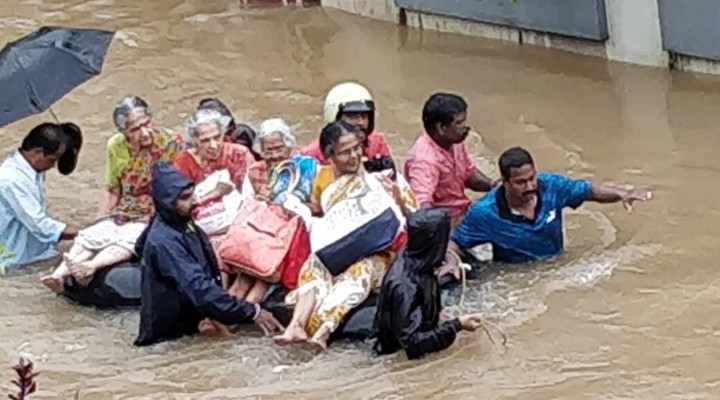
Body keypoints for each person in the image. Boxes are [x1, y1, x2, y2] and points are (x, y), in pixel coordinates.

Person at [273, 121, 416, 351]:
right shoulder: (321, 180)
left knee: (362, 270)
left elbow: (416, 219)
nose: (354, 156)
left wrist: (396, 199)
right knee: (314, 264)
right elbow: (324, 217)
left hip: (382, 253)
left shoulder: (382, 178)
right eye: (345, 152)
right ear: (330, 156)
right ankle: (296, 325)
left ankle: (325, 329)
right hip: (344, 246)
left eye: (357, 148)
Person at [41, 96, 184, 293]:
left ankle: (91, 266)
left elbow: (178, 187)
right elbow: (112, 189)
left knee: (127, 240)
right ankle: (58, 275)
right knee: (88, 237)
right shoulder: (115, 146)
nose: (144, 133)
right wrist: (101, 220)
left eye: (146, 124)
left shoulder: (172, 143)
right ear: (124, 132)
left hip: (153, 211)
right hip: (124, 210)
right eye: (135, 129)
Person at [134, 162, 283, 346]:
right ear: (168, 203)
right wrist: (253, 312)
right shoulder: (164, 242)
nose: (194, 201)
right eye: (185, 198)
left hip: (191, 326)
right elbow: (199, 288)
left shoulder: (176, 221)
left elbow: (139, 247)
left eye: (192, 194)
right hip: (172, 340)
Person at [441, 147, 653, 274]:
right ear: (504, 182)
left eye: (532, 178)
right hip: (517, 276)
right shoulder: (485, 213)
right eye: (520, 182)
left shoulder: (551, 186)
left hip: (557, 264)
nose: (530, 186)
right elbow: (455, 242)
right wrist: (452, 261)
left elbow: (587, 190)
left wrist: (621, 194)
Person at [225, 118, 318, 301]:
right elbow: (244, 206)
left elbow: (317, 207)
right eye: (268, 150)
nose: (274, 155)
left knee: (262, 281)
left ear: (289, 147)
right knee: (241, 281)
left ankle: (245, 313)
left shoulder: (305, 168)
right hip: (260, 235)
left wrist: (296, 206)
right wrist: (260, 201)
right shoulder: (254, 171)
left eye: (279, 149)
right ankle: (224, 315)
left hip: (288, 237)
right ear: (260, 151)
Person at [374, 208, 484, 359]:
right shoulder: (405, 287)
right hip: (395, 357)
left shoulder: (416, 256)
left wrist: (439, 314)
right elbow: (413, 345)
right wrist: (457, 325)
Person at [404, 93, 496, 226]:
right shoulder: (425, 161)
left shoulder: (454, 141)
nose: (467, 126)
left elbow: (468, 174)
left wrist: (494, 186)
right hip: (448, 225)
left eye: (465, 120)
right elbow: (421, 211)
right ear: (441, 128)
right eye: (459, 123)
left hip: (463, 211)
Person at [0, 123, 82, 268]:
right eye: (52, 160)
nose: (52, 166)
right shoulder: (12, 179)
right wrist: (84, 233)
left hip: (37, 252)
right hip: (14, 261)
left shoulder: (31, 168)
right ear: (38, 152)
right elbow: (40, 226)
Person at [299, 82, 391, 164]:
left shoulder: (376, 143)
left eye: (364, 116)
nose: (361, 122)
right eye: (352, 116)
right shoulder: (309, 157)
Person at [173, 108, 255, 200]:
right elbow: (181, 203)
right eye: (205, 140)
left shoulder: (239, 154)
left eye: (217, 137)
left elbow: (257, 187)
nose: (213, 146)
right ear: (194, 142)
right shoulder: (184, 163)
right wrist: (215, 193)